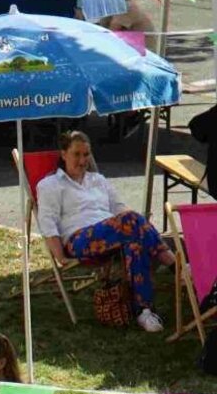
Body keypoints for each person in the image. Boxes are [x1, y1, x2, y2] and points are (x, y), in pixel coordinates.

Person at [36, 130, 176, 332]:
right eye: (77, 154)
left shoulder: (98, 180)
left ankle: (144, 312)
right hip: (78, 239)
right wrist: (59, 255)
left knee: (135, 240)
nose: (83, 160)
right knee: (132, 221)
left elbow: (120, 208)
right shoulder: (50, 185)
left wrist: (142, 226)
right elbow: (47, 221)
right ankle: (176, 266)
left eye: (86, 154)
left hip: (113, 234)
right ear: (63, 154)